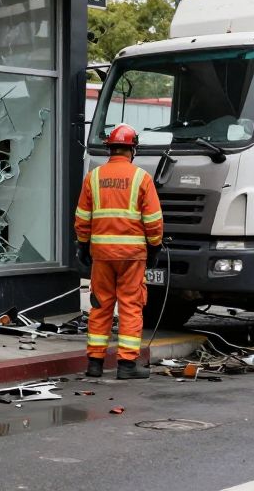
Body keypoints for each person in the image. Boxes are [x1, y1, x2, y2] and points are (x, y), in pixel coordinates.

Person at [74, 123, 163, 380]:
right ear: (132, 149)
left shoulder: (94, 177)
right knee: (130, 307)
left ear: (110, 149)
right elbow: (154, 221)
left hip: (101, 255)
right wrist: (154, 246)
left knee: (100, 306)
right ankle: (126, 365)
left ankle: (94, 363)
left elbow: (82, 217)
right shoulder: (141, 178)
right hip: (132, 256)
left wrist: (83, 245)